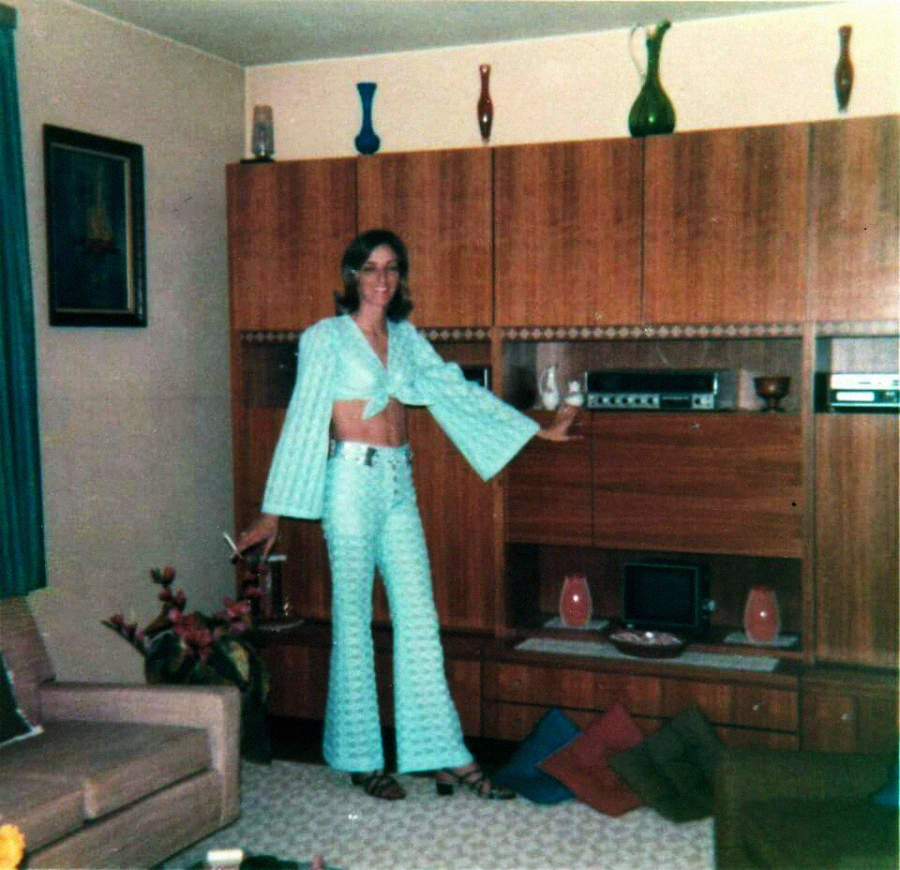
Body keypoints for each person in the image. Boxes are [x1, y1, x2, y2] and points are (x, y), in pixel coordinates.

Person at [236, 228, 578, 801]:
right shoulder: (326, 338)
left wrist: (538, 429)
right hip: (348, 480)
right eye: (370, 268)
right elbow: (303, 419)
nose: (381, 279)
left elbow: (455, 392)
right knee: (352, 621)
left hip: (398, 482)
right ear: (351, 277)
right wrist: (274, 513)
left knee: (419, 620)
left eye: (392, 268)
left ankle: (443, 755)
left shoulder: (407, 339)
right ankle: (360, 759)